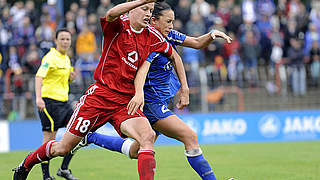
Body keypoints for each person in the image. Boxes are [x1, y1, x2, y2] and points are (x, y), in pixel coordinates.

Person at [13, 0, 185, 180]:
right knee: (63, 148)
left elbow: (175, 55)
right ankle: (25, 164)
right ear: (132, 7)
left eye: (150, 10)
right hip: (100, 97)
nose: (148, 14)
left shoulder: (152, 36)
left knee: (147, 136)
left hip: (124, 103)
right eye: (144, 9)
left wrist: (184, 89)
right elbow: (110, 14)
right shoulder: (119, 25)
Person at [72, 2, 232, 180]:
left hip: (159, 100)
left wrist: (211, 34)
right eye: (168, 21)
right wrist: (139, 93)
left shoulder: (167, 35)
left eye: (173, 21)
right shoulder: (148, 40)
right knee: (190, 137)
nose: (171, 26)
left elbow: (193, 43)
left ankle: (92, 138)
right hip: (149, 103)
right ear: (153, 21)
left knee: (136, 151)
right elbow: (141, 71)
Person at [34, 28, 78, 180]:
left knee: (78, 133)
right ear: (56, 40)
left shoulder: (66, 58)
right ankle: (46, 176)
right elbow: (39, 77)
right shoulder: (50, 58)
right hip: (49, 103)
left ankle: (64, 169)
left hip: (64, 104)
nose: (65, 42)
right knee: (48, 142)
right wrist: (38, 98)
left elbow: (64, 80)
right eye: (62, 39)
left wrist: (71, 77)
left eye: (68, 39)